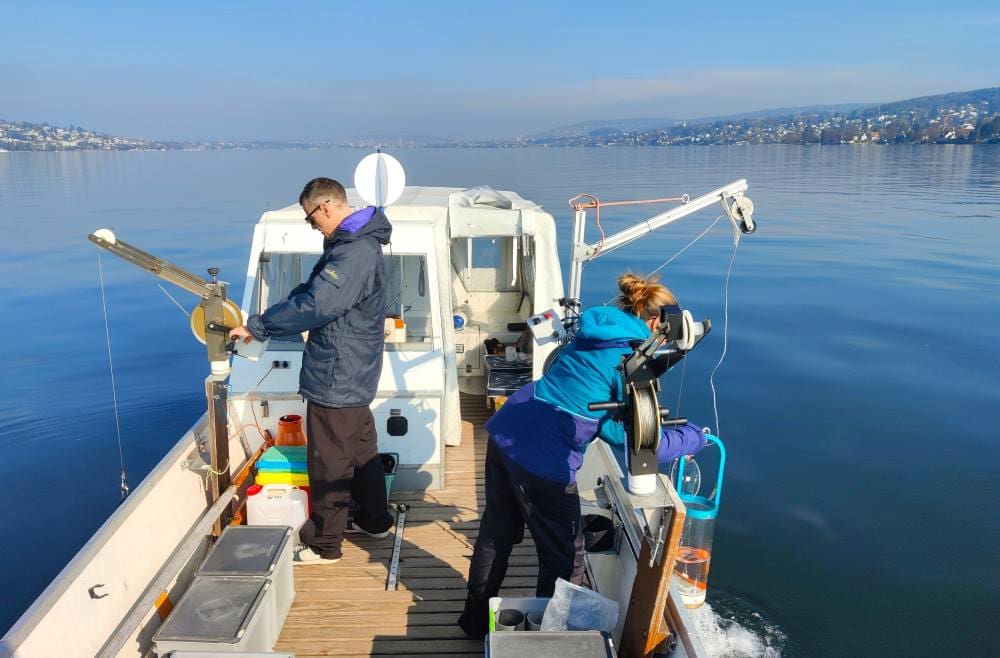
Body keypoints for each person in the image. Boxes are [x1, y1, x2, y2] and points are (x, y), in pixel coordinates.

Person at [457, 273, 708, 637]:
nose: (663, 342)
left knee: (496, 532)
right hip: (544, 459)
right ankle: (552, 638)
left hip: (508, 426)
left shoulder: (596, 331)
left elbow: (595, 414)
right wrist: (691, 437)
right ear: (655, 322)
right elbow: (636, 441)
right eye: (664, 334)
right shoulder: (631, 360)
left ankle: (475, 621)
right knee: (564, 556)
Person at [230, 177, 394, 564]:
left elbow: (317, 306)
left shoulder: (354, 253)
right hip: (352, 370)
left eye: (310, 218)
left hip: (337, 374)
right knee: (360, 450)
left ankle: (325, 544)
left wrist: (259, 326)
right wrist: (277, 310)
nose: (312, 225)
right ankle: (374, 520)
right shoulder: (351, 245)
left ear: (325, 208)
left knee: (328, 463)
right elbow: (312, 292)